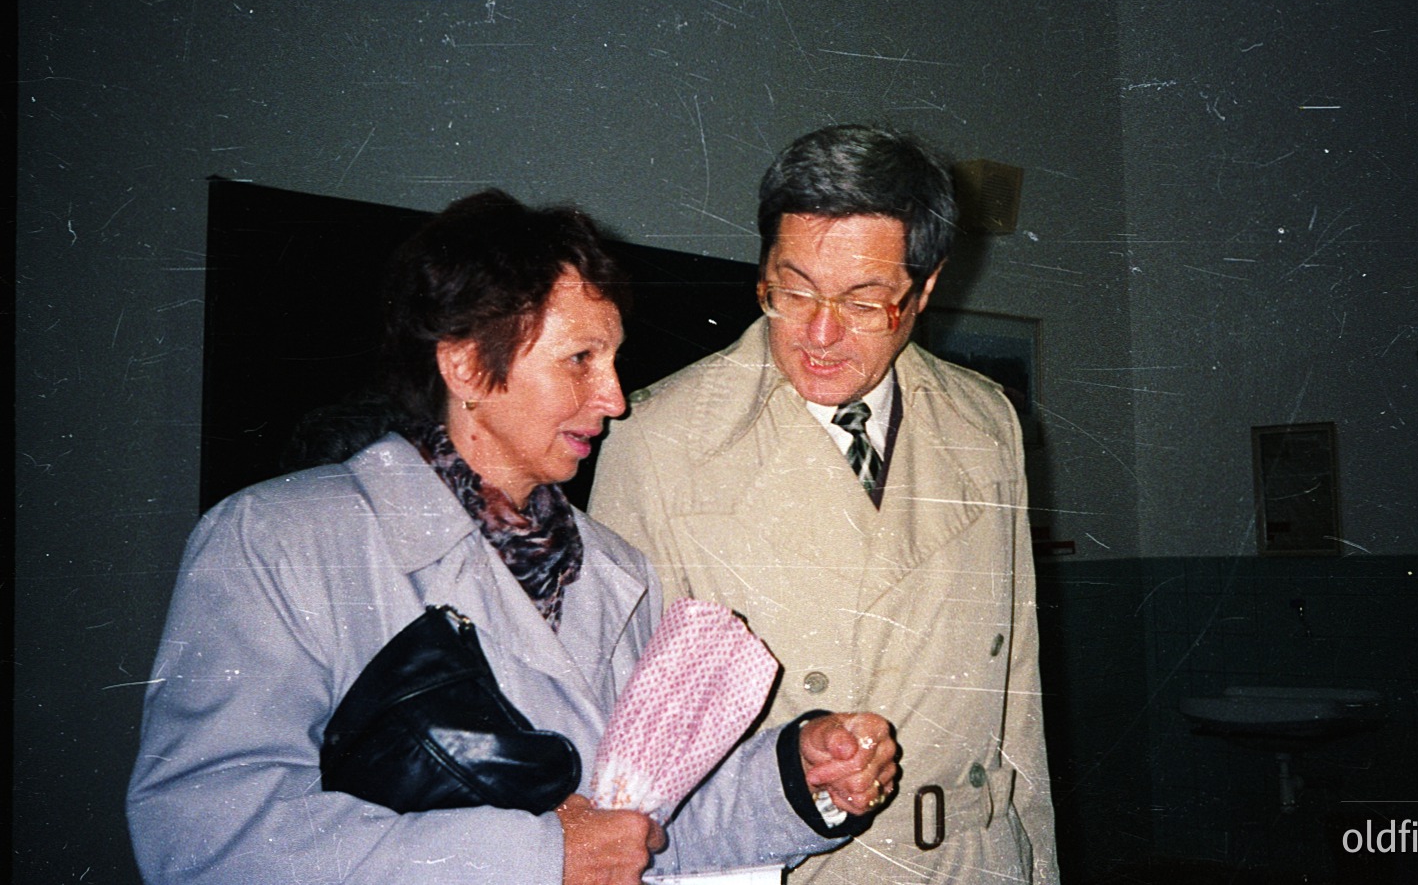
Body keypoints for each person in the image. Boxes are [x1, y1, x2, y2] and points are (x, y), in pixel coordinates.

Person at [128, 189, 899, 885]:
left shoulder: (615, 571)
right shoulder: (280, 542)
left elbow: (639, 825)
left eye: (614, 360)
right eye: (580, 360)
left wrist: (796, 779)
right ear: (466, 365)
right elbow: (205, 836)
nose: (615, 398)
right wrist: (537, 858)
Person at [591, 125, 1059, 884]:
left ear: (925, 289)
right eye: (794, 288)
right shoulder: (658, 440)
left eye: (865, 302)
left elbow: (1018, 701)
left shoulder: (986, 422)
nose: (819, 333)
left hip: (977, 861)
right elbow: (620, 745)